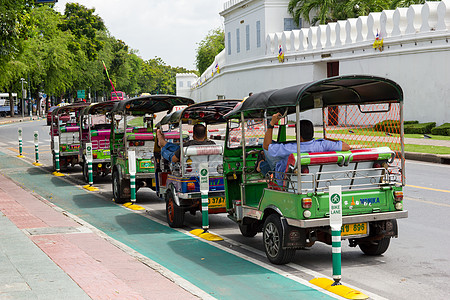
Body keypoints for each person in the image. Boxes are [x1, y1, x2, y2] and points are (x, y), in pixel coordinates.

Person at [256, 113, 350, 176]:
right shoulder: (323, 145)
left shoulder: (290, 148)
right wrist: (327, 140)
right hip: (316, 175)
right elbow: (346, 146)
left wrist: (272, 123)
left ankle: (260, 165)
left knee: (269, 161)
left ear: (300, 136)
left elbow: (266, 146)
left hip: (287, 178)